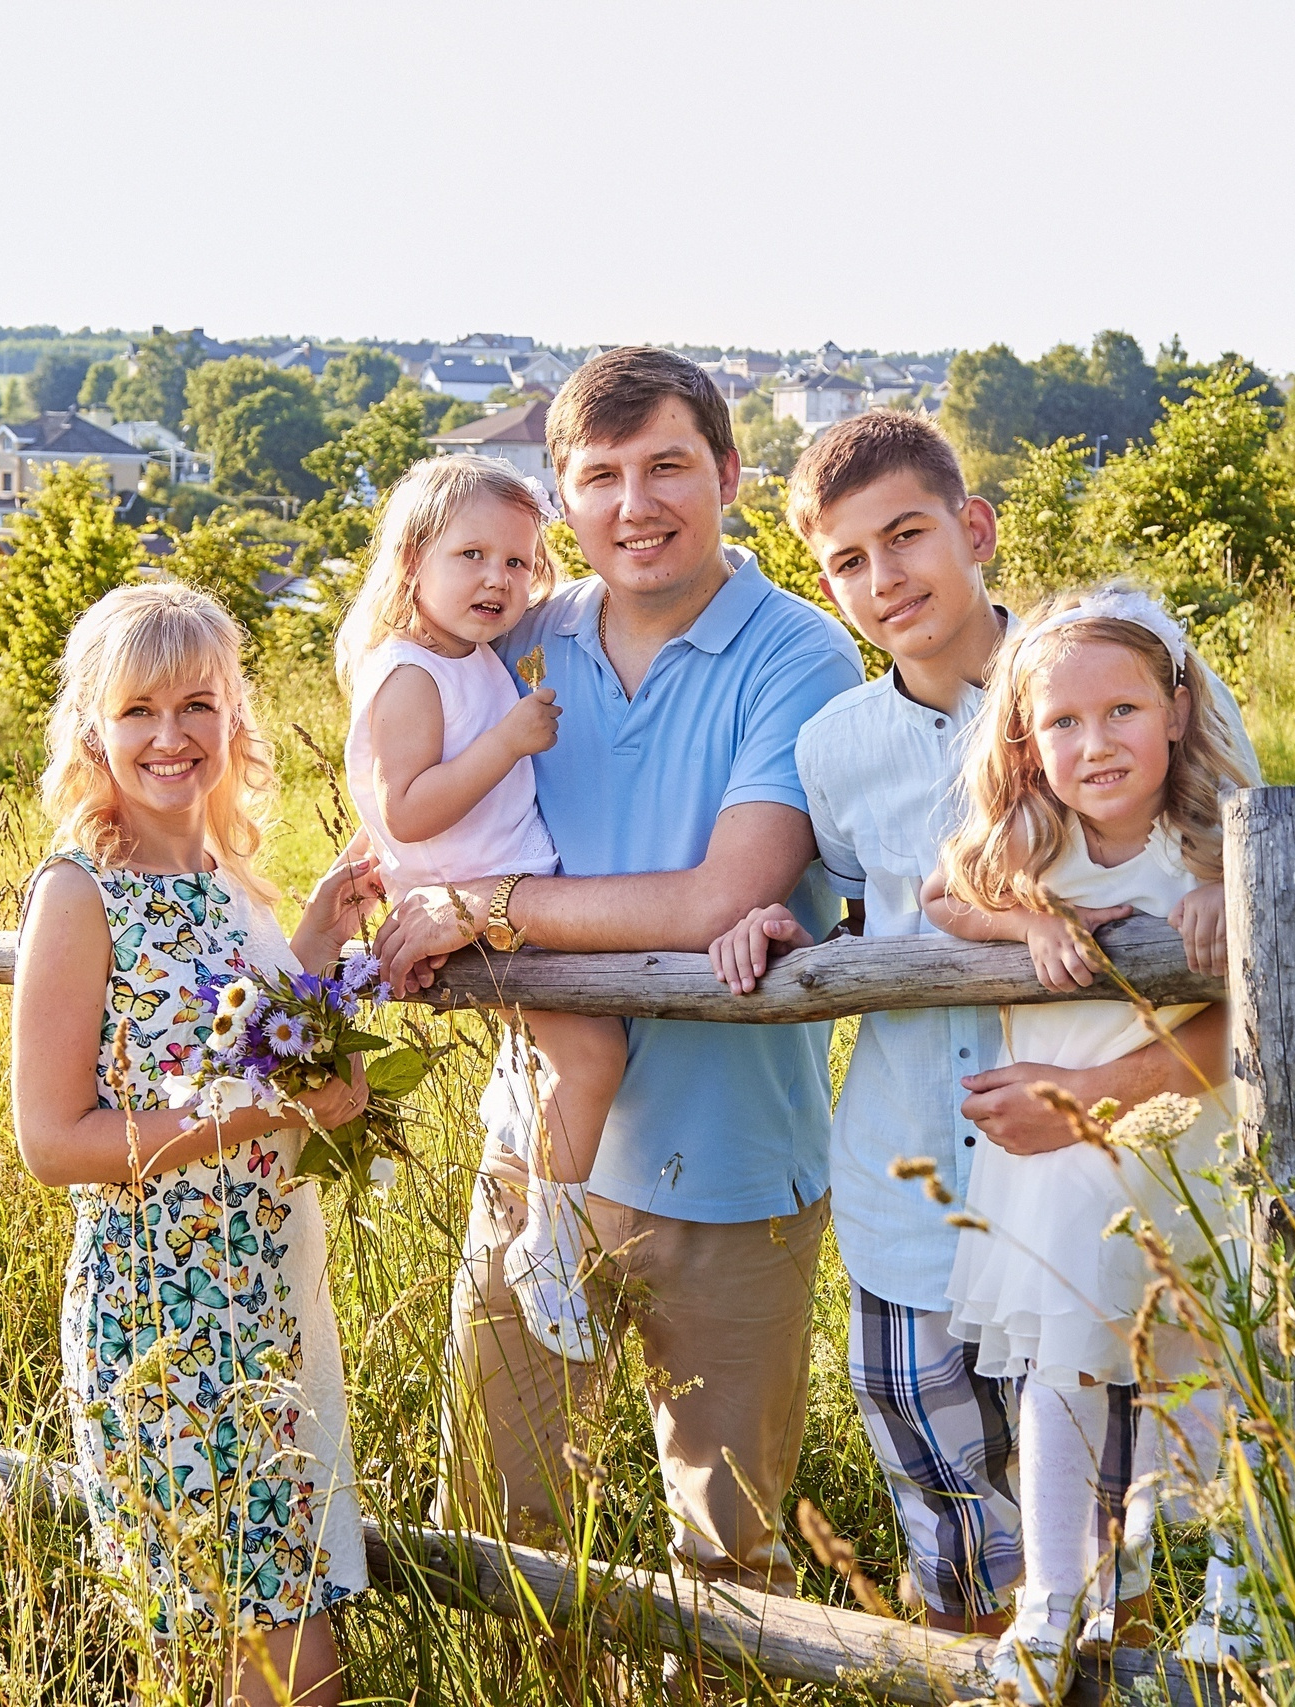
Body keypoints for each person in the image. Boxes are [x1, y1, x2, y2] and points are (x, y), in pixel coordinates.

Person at [707, 412, 1260, 1641]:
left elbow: (1243, 925)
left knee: (1114, 1536)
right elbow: (870, 910)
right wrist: (791, 938)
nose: (883, 577)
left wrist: (1101, 1092)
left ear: (972, 527)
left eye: (905, 535)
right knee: (951, 1538)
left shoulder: (1114, 677)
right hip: (908, 1181)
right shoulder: (832, 747)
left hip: (1107, 1187)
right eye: (847, 561)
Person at [376, 347, 864, 1591]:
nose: (633, 504)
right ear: (561, 497)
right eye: (599, 475)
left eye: (665, 467)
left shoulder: (798, 657)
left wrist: (480, 910)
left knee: (727, 1564)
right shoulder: (517, 641)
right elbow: (422, 808)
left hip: (732, 1172)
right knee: (496, 1538)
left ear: (728, 474)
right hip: (536, 1152)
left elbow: (722, 895)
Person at [12, 583, 377, 1706]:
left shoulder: (225, 886)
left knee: (287, 1657)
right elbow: (51, 1139)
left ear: (234, 717)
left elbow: (249, 1041)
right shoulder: (82, 896)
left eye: (196, 704)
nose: (169, 736)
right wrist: (265, 1117)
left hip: (263, 1301)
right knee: (260, 1669)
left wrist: (315, 934)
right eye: (136, 711)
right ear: (91, 730)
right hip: (161, 1318)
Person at [925, 584, 1255, 1698]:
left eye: (1118, 712)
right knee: (1059, 1379)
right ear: (1025, 742)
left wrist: (1220, 895)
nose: (1093, 742)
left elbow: (1225, 1031)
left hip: (1180, 1157)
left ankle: (1232, 1597)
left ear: (1173, 709)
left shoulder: (1210, 851)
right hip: (1056, 1175)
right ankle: (1048, 1604)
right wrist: (1025, 919)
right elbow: (941, 895)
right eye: (1060, 724)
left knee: (1201, 1372)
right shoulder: (1033, 850)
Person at [337, 454, 626, 1359]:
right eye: (471, 556)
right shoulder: (412, 672)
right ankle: (549, 1236)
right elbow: (407, 806)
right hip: (474, 905)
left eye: (517, 561)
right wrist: (507, 741)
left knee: (573, 1059)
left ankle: (550, 1222)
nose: (497, 579)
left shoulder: (470, 657)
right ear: (413, 558)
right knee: (592, 1054)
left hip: (507, 894)